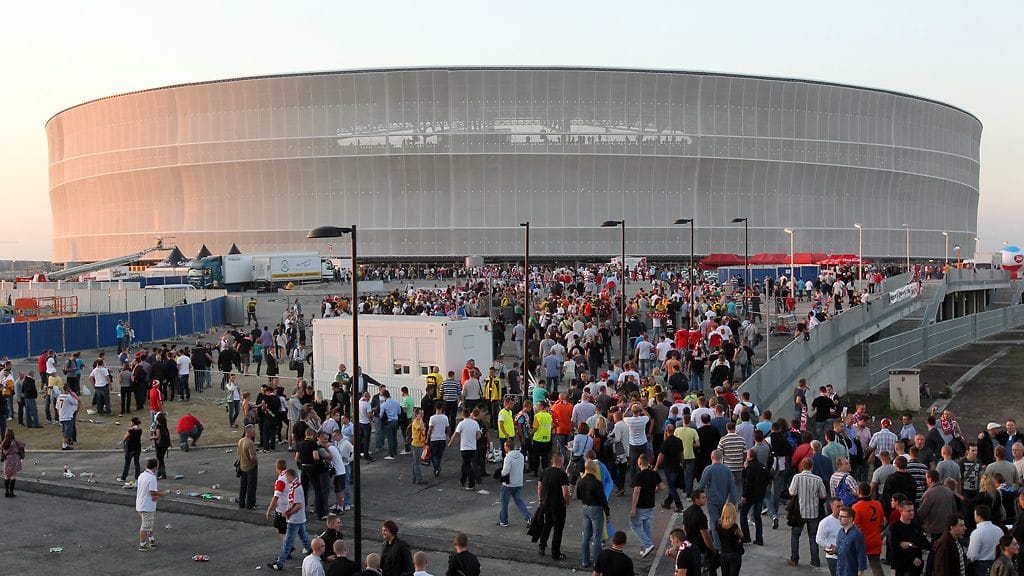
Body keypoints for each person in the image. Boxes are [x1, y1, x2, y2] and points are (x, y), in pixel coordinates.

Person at [268, 468, 313, 571]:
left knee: (288, 542)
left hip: (294, 519)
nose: (286, 479)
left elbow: (299, 505)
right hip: (299, 518)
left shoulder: (296, 488)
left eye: (286, 477)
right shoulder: (296, 486)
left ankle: (280, 563)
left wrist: (288, 513)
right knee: (304, 539)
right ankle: (315, 554)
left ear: (290, 476)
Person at [789, 457, 828, 567]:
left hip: (799, 512)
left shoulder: (797, 477)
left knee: (795, 535)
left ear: (802, 466)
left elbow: (792, 492)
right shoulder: (818, 479)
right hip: (813, 512)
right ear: (812, 466)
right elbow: (823, 495)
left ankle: (794, 558)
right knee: (813, 536)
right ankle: (815, 560)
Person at [698, 449, 737, 550]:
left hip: (712, 500)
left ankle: (718, 546)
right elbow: (732, 487)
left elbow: (701, 485)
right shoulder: (727, 470)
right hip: (723, 501)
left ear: (712, 457)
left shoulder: (708, 469)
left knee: (714, 522)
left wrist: (697, 496)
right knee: (723, 522)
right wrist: (733, 502)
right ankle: (723, 541)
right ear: (721, 458)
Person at [578, 459, 612, 569]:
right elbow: (603, 499)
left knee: (586, 535)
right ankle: (597, 563)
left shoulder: (581, 481)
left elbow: (578, 496)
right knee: (597, 537)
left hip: (585, 508)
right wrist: (607, 513)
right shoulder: (597, 483)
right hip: (596, 509)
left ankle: (585, 561)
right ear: (594, 468)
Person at [537, 452, 570, 560]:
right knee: (558, 529)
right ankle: (555, 552)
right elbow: (565, 492)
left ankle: (542, 546)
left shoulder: (544, 472)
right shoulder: (562, 475)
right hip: (558, 506)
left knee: (547, 525)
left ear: (552, 461)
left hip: (546, 504)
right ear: (561, 461)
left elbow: (539, 487)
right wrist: (567, 501)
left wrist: (541, 499)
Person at [632, 452, 663, 558]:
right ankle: (648, 547)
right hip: (651, 504)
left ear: (640, 462)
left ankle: (648, 544)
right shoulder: (654, 473)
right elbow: (662, 487)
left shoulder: (639, 476)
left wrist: (633, 508)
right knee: (647, 525)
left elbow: (636, 492)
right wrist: (654, 491)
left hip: (641, 505)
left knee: (635, 525)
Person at [850, 482, 885, 576]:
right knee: (876, 567)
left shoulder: (856, 507)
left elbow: (855, 526)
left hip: (861, 540)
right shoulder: (878, 504)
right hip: (875, 539)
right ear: (870, 492)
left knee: (857, 567)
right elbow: (882, 523)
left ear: (859, 492)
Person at [888, 500, 929, 576]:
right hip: (900, 565)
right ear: (901, 511)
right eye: (908, 511)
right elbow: (894, 547)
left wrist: (910, 543)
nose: (911, 513)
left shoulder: (916, 526)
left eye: (913, 510)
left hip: (915, 566)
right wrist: (912, 548)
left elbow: (926, 544)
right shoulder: (894, 527)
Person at [498, 440, 532, 527]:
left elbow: (505, 471)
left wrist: (501, 473)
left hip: (508, 484)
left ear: (508, 447)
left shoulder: (508, 458)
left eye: (505, 446)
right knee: (519, 501)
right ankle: (528, 517)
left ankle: (503, 520)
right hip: (518, 482)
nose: (504, 448)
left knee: (504, 502)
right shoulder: (521, 455)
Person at [740, 447, 769, 545]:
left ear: (750, 456)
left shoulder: (750, 467)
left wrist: (744, 495)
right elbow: (767, 480)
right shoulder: (761, 466)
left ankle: (746, 536)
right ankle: (759, 539)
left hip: (751, 495)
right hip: (760, 494)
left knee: (743, 513)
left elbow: (748, 482)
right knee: (757, 516)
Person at [448, 407, 481, 491]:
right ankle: (462, 480)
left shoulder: (461, 424)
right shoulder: (475, 423)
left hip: (465, 447)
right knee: (465, 464)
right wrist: (473, 439)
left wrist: (450, 443)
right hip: (473, 447)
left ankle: (471, 483)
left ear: (463, 414)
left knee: (467, 466)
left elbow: (455, 435)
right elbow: (479, 435)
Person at [135, 458, 162, 551]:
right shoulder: (151, 477)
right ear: (155, 467)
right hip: (147, 506)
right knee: (146, 526)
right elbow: (152, 492)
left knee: (148, 524)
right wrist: (163, 494)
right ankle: (142, 544)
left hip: (140, 504)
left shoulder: (142, 475)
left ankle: (151, 540)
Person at [967, 505, 1003, 576]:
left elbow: (972, 555)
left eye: (975, 515)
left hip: (982, 567)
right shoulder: (999, 530)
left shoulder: (976, 533)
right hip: (998, 564)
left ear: (979, 516)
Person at [835, 507, 868, 576]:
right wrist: (835, 551)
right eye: (839, 515)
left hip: (851, 571)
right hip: (840, 570)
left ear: (850, 519)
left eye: (843, 516)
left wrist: (860, 571)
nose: (839, 518)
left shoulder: (857, 534)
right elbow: (841, 549)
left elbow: (861, 554)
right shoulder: (841, 531)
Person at [716, 502, 745, 576]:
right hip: (734, 554)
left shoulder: (719, 524)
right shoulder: (734, 527)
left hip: (723, 553)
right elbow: (742, 537)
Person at [817, 497, 844, 576]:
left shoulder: (846, 520)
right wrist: (831, 546)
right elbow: (819, 539)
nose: (841, 508)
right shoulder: (826, 522)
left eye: (842, 506)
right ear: (832, 507)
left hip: (846, 554)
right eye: (838, 507)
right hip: (833, 557)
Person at [238, 424, 259, 509]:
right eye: (253, 431)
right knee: (251, 486)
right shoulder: (250, 443)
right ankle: (251, 504)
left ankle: (241, 503)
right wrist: (255, 462)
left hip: (243, 466)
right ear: (249, 432)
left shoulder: (241, 441)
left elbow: (238, 454)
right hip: (251, 467)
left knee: (243, 486)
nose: (255, 432)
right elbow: (252, 457)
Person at [427, 403, 450, 478]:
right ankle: (437, 468)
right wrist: (449, 436)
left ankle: (436, 467)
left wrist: (427, 438)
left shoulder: (432, 418)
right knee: (439, 455)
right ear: (442, 408)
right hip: (442, 439)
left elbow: (430, 429)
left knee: (433, 455)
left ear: (435, 408)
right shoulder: (445, 418)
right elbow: (448, 428)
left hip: (434, 439)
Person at [118, 417, 143, 485]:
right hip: (137, 448)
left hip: (130, 448)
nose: (130, 423)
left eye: (131, 422)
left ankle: (123, 477)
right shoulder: (140, 430)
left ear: (133, 423)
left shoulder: (131, 430)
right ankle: (137, 477)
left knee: (127, 464)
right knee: (137, 463)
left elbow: (125, 437)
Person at [2, 429, 25, 497]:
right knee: (13, 475)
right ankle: (11, 492)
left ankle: (6, 491)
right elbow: (22, 444)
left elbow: (2, 450)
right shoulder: (14, 442)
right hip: (14, 459)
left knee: (6, 475)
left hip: (7, 460)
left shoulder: (4, 442)